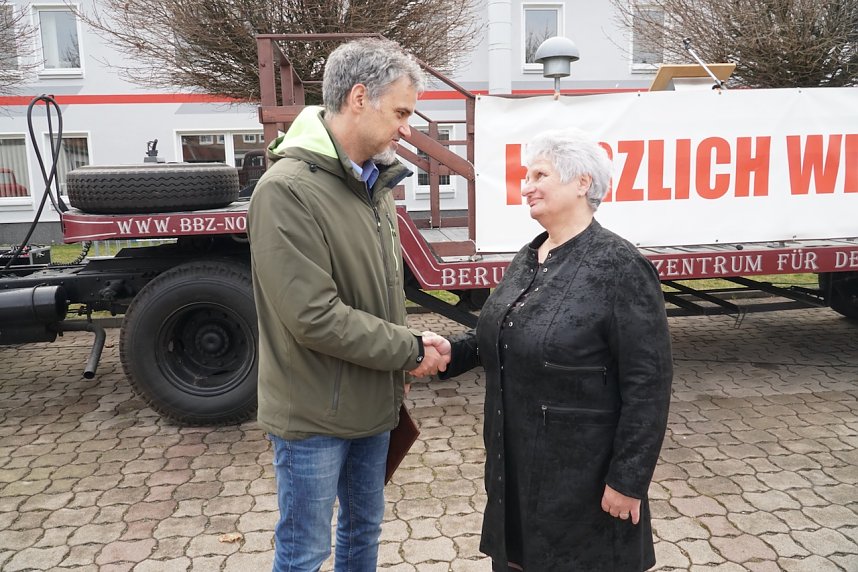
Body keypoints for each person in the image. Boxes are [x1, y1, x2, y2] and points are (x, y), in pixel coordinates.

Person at [247, 38, 449, 572]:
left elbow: (379, 296)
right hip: (314, 414)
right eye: (401, 111)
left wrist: (400, 360)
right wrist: (408, 350)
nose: (407, 128)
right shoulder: (286, 190)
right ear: (359, 97)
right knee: (305, 553)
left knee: (363, 534)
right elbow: (313, 316)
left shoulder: (373, 185)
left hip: (373, 405)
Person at [437, 128, 673, 570]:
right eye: (526, 176)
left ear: (582, 182)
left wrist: (628, 480)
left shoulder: (619, 265)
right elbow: (501, 338)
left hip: (583, 484)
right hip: (515, 471)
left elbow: (649, 385)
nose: (526, 185)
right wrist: (448, 353)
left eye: (539, 174)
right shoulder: (529, 257)